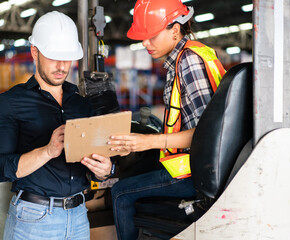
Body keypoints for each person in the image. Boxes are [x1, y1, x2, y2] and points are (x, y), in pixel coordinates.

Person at [0, 11, 113, 240]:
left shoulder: (82, 106)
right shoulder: (9, 103)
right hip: (34, 220)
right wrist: (47, 151)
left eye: (67, 57)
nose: (62, 65)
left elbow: (97, 165)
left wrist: (104, 171)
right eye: (54, 56)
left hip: (79, 217)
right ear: (35, 52)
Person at [108, 0, 226, 239]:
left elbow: (207, 135)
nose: (144, 43)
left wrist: (146, 142)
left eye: (151, 36)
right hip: (199, 164)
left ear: (174, 30)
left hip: (196, 172)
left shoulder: (188, 61)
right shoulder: (188, 55)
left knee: (120, 191)